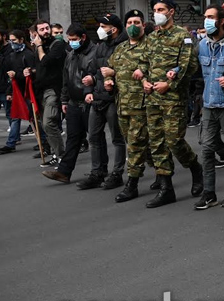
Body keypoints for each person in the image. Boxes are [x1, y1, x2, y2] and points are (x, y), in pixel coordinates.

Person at [141, 0, 204, 208]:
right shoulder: (151, 38)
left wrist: (170, 84)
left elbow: (189, 65)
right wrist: (145, 81)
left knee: (174, 141)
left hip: (173, 98)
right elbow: (144, 63)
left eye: (161, 9)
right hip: (153, 98)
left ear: (171, 12)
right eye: (155, 10)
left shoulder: (182, 36)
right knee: (156, 142)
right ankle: (166, 188)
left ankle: (195, 167)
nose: (157, 13)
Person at [195, 5, 224, 210]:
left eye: (210, 17)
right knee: (206, 149)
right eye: (205, 17)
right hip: (208, 104)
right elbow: (195, 70)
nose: (206, 21)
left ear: (221, 21)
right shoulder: (202, 45)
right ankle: (209, 193)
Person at [76, 14, 127, 190]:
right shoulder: (101, 47)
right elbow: (92, 71)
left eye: (103, 26)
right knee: (94, 137)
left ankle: (117, 173)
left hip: (114, 98)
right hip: (97, 98)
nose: (100, 29)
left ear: (114, 28)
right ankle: (97, 172)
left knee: (117, 138)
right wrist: (89, 88)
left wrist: (113, 76)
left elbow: (129, 73)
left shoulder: (124, 46)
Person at [105, 10, 151, 203]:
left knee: (135, 144)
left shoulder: (150, 46)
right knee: (140, 144)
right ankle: (161, 170)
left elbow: (159, 67)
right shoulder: (121, 48)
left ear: (143, 25)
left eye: (137, 22)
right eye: (130, 22)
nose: (133, 25)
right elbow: (110, 68)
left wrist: (145, 70)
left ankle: (132, 184)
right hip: (122, 105)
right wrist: (108, 78)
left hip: (142, 106)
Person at [42, 24, 97, 184]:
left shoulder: (94, 52)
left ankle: (99, 171)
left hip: (89, 102)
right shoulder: (71, 55)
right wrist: (64, 100)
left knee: (94, 139)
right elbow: (66, 79)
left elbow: (96, 75)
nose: (71, 42)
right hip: (73, 102)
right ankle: (64, 172)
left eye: (74, 39)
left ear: (83, 38)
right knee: (73, 138)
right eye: (70, 39)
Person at [29, 20, 66, 167]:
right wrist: (30, 72)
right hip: (41, 90)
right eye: (42, 29)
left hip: (54, 89)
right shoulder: (38, 47)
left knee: (49, 122)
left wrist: (38, 46)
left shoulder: (57, 45)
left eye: (47, 28)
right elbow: (39, 68)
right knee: (44, 125)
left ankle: (62, 155)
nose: (45, 31)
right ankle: (56, 153)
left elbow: (46, 62)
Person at [0, 30, 36, 154]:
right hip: (18, 90)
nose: (12, 43)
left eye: (15, 40)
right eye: (11, 41)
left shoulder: (28, 54)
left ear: (22, 40)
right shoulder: (12, 55)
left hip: (28, 91)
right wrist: (9, 92)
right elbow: (12, 78)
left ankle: (45, 142)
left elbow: (31, 74)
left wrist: (18, 74)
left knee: (34, 118)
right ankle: (11, 143)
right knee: (15, 116)